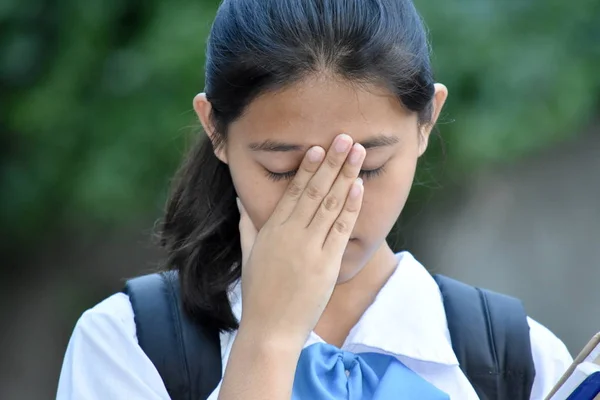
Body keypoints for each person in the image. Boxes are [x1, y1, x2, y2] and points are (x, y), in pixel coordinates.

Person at [56, 0, 573, 399]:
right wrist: (267, 341)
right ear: (215, 130)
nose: (334, 202)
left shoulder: (515, 358)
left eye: (368, 166)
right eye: (284, 170)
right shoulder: (130, 345)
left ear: (426, 122)